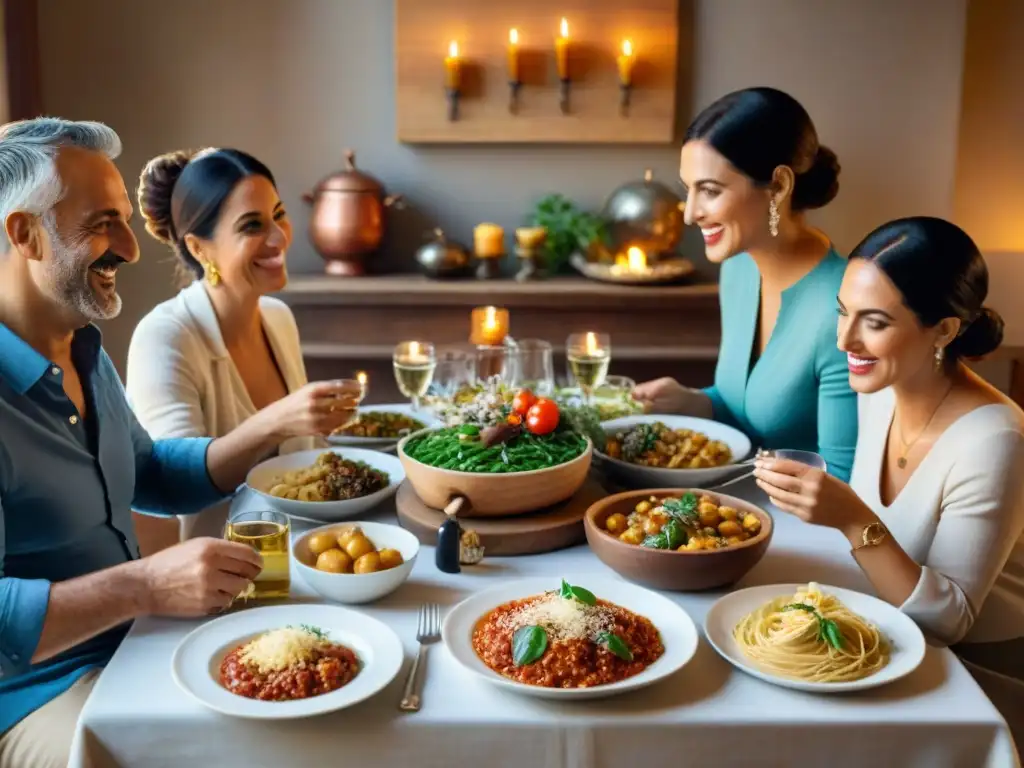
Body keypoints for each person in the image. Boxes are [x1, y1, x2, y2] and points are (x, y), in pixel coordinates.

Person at [0, 118, 358, 768]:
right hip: (35, 694)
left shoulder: (84, 350)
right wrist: (142, 585)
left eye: (128, 222)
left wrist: (270, 425)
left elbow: (154, 472)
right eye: (103, 222)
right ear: (24, 234)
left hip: (137, 640)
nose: (133, 249)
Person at [753, 217, 1024, 746]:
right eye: (842, 312)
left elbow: (951, 621)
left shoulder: (997, 440)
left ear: (944, 330)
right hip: (892, 637)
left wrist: (853, 518)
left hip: (979, 675)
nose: (845, 339)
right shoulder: (879, 387)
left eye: (873, 322)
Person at [632, 87, 857, 481]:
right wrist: (696, 401)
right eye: (690, 190)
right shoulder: (739, 267)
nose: (691, 215)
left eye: (711, 191)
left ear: (779, 187)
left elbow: (844, 481)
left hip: (804, 529)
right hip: (735, 500)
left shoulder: (843, 308)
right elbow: (752, 405)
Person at [127, 147, 315, 550]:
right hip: (222, 580)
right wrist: (277, 421)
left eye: (279, 215)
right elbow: (174, 486)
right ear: (199, 248)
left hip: (310, 554)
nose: (279, 237)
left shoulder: (278, 318)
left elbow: (310, 464)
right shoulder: (164, 336)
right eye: (252, 226)